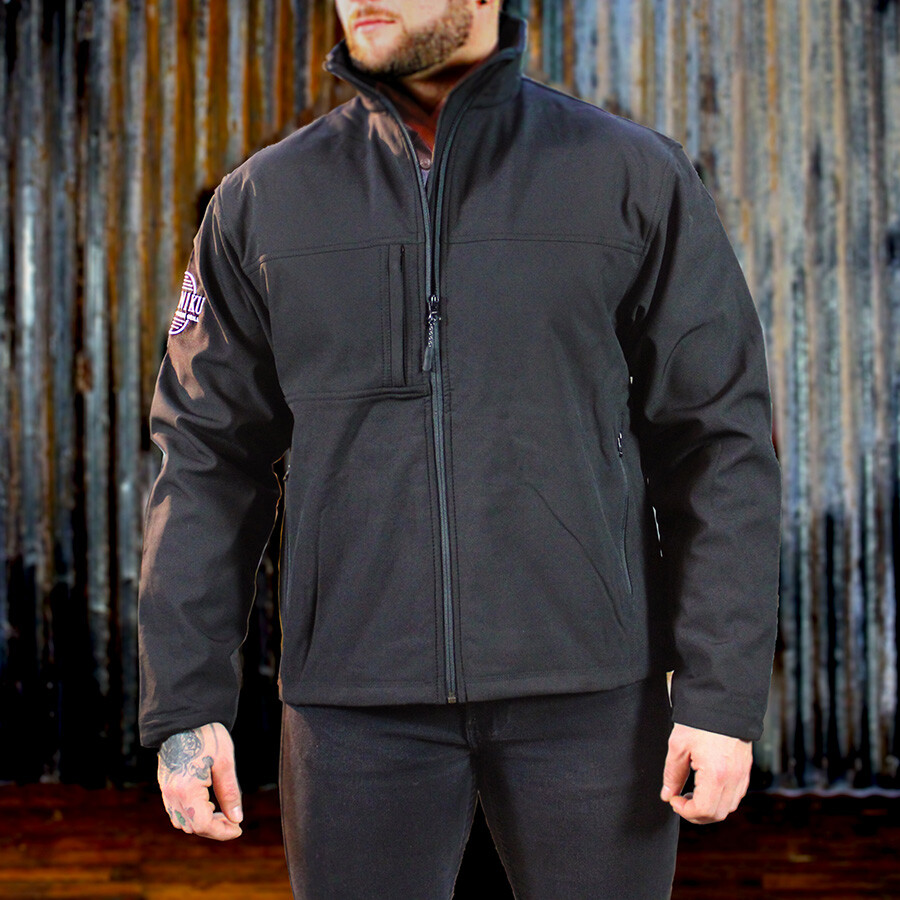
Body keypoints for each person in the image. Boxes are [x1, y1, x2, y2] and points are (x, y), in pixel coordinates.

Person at [138, 1, 782, 896]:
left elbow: (718, 442)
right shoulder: (262, 201)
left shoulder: (630, 175)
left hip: (591, 698)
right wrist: (186, 702)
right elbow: (206, 459)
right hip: (354, 709)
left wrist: (720, 694)